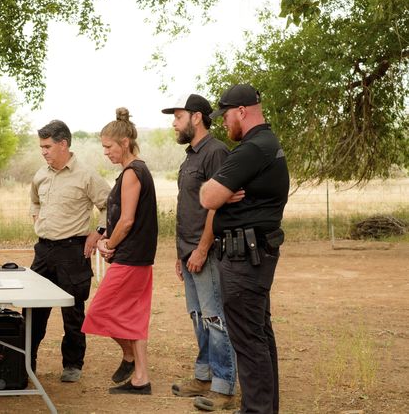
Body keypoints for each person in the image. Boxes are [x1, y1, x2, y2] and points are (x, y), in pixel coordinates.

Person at [201, 84, 289, 414]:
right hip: (252, 253)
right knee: (259, 337)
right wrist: (221, 190)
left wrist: (218, 190)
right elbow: (214, 193)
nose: (224, 123)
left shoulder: (253, 149)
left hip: (243, 258)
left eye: (225, 116)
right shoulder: (267, 144)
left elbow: (207, 197)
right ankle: (263, 408)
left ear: (241, 111)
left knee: (249, 342)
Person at [162, 94, 239, 411]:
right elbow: (189, 206)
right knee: (198, 318)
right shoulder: (191, 155)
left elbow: (216, 206)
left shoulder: (216, 152)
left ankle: (224, 387)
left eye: (177, 117)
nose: (174, 123)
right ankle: (204, 376)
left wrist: (203, 248)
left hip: (206, 251)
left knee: (215, 318)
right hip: (188, 251)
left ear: (196, 117)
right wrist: (181, 253)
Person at [82, 107, 158, 395]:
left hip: (130, 258)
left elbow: (127, 220)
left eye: (108, 146)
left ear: (124, 143)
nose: (106, 152)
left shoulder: (132, 172)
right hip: (138, 258)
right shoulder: (136, 170)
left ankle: (130, 358)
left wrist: (109, 245)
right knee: (133, 317)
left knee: (100, 312)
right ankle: (141, 377)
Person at [28, 119, 111, 383]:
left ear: (63, 144)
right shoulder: (41, 174)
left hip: (72, 252)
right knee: (32, 309)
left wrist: (98, 232)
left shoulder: (86, 175)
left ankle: (73, 364)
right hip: (43, 251)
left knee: (73, 311)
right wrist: (37, 219)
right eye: (41, 146)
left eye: (47, 146)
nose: (43, 151)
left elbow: (110, 206)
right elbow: (34, 201)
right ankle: (26, 363)